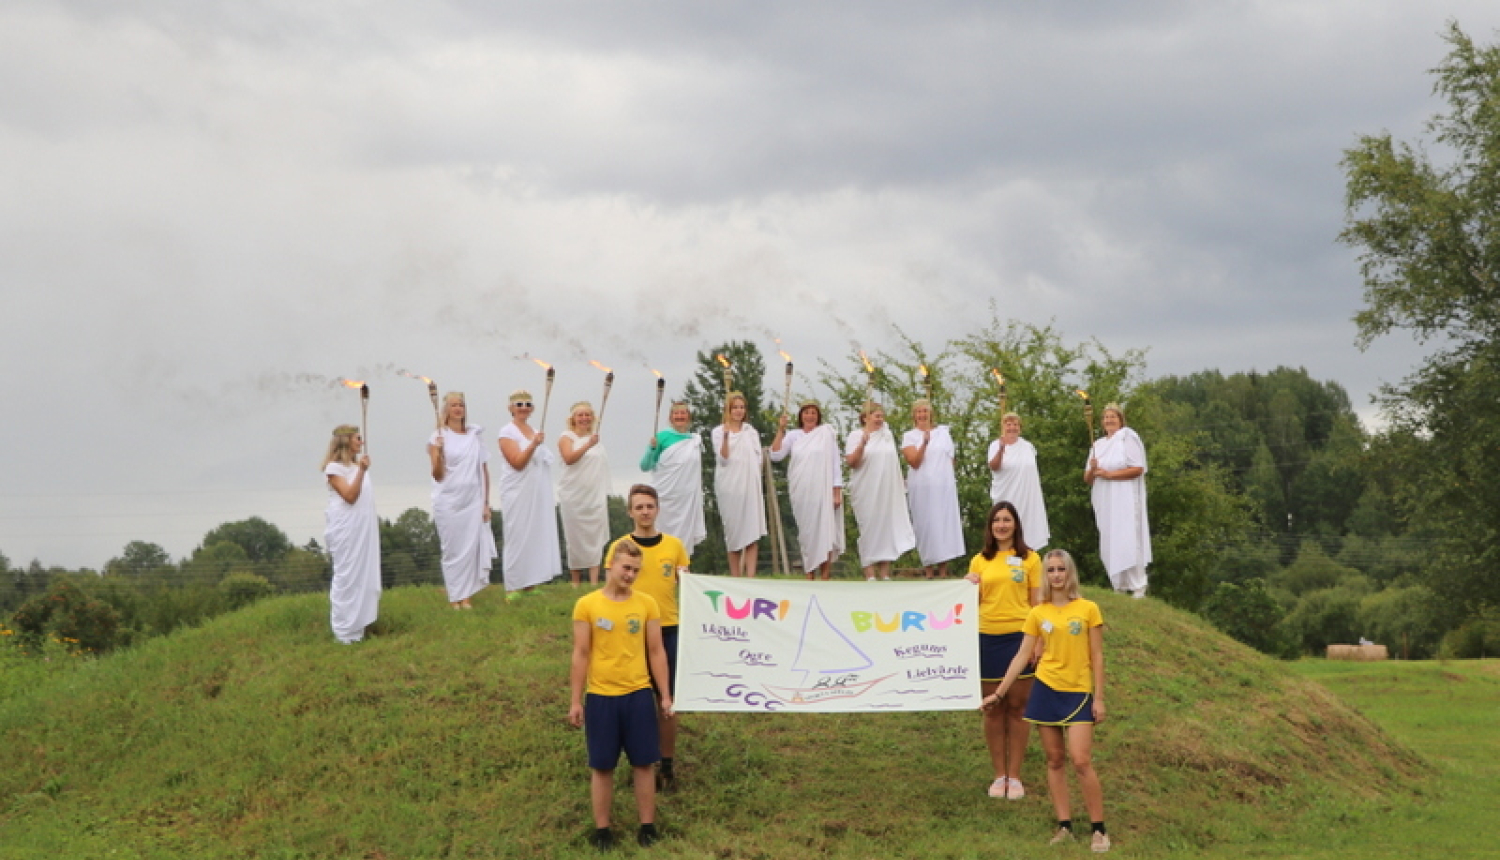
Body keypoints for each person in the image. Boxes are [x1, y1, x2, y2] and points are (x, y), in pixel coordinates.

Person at [984, 549, 1110, 853]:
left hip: (1078, 692)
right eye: (1051, 570)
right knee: (1054, 760)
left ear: (1070, 573)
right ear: (1046, 575)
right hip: (1045, 691)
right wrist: (999, 692)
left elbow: (1097, 655)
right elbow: (1022, 655)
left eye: (1061, 569)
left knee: (1080, 760)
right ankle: (1064, 825)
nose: (1056, 575)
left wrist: (1100, 698)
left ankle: (1099, 830)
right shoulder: (1037, 613)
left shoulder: (1088, 608)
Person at [568, 539, 674, 851]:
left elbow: (656, 652)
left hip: (638, 694)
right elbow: (581, 654)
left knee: (644, 763)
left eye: (636, 571)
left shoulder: (646, 604)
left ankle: (647, 826)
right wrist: (576, 701)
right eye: (626, 568)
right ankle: (603, 831)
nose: (630, 575)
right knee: (602, 766)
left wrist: (664, 695)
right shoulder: (587, 605)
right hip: (601, 696)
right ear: (610, 565)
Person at [606, 484, 691, 791]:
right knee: (637, 702)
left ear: (657, 509)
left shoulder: (674, 546)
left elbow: (689, 589)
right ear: (630, 512)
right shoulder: (619, 547)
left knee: (667, 701)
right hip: (631, 633)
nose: (644, 512)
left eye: (649, 506)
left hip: (668, 629)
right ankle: (643, 762)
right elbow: (609, 592)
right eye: (638, 507)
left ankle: (667, 765)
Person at [965, 501, 1042, 800]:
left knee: (1018, 708)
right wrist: (965, 586)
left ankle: (1016, 776)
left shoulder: (1031, 559)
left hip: (1020, 639)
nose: (1001, 525)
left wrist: (1039, 642)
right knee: (993, 709)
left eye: (1007, 520)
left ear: (1015, 525)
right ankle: (999, 776)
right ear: (990, 526)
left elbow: (1038, 605)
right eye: (996, 520)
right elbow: (971, 602)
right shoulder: (979, 561)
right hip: (986, 638)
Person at [428, 392, 497, 609]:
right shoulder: (437, 437)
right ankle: (454, 597)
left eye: (461, 405)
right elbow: (437, 475)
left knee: (470, 548)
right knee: (453, 548)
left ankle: (466, 597)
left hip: (473, 499)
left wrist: (486, 502)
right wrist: (438, 453)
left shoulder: (474, 436)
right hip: (448, 500)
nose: (458, 408)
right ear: (446, 410)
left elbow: (484, 471)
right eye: (453, 405)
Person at [769, 401, 846, 580]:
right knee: (807, 533)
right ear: (801, 416)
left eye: (813, 413)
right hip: (801, 491)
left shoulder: (826, 434)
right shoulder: (794, 436)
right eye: (806, 412)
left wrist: (837, 492)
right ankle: (809, 573)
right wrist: (780, 430)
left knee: (825, 531)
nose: (810, 416)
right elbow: (775, 455)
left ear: (818, 416)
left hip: (822, 491)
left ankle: (825, 575)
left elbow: (835, 465)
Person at [497, 389, 562, 597]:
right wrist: (534, 444)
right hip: (517, 492)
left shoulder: (534, 430)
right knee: (517, 534)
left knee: (535, 534)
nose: (523, 408)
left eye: (527, 404)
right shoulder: (507, 432)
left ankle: (530, 583)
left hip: (536, 493)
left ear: (532, 408)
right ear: (511, 408)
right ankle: (514, 585)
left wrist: (536, 441)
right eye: (519, 404)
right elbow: (517, 462)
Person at [845, 402, 916, 581]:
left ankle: (884, 573)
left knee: (885, 528)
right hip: (866, 490)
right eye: (876, 415)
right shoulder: (856, 435)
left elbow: (893, 463)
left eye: (881, 416)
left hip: (886, 490)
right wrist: (862, 444)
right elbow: (852, 462)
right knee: (868, 528)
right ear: (865, 417)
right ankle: (869, 573)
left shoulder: (887, 435)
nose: (880, 419)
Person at [1084, 403, 1150, 597]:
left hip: (1125, 497)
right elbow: (1088, 479)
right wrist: (1093, 469)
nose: (1109, 420)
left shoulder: (1127, 437)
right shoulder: (1098, 445)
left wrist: (1109, 474)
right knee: (1110, 538)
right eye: (1106, 417)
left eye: (1113, 417)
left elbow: (1138, 468)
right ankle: (1118, 584)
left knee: (1128, 537)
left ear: (1121, 420)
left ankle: (1138, 584)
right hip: (1105, 500)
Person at [323, 425, 381, 643]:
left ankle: (360, 628)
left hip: (363, 529)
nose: (361, 442)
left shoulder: (358, 466)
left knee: (365, 577)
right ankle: (344, 632)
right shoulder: (334, 468)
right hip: (345, 529)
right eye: (358, 438)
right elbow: (349, 496)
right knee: (347, 576)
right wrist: (362, 471)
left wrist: (361, 469)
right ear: (346, 441)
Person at [901, 398, 965, 578]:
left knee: (943, 524)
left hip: (942, 488)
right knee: (926, 525)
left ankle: (943, 569)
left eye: (925, 411)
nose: (922, 415)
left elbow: (950, 459)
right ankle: (928, 569)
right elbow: (914, 462)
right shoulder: (909, 436)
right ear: (914, 415)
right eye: (919, 412)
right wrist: (924, 443)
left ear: (931, 414)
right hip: (922, 488)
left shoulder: (943, 433)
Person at [711, 392, 767, 577]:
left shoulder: (751, 432)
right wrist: (726, 437)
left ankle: (750, 577)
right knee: (733, 532)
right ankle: (735, 576)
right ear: (728, 409)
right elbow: (723, 459)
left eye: (741, 407)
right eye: (735, 407)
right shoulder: (718, 431)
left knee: (751, 532)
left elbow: (759, 459)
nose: (738, 411)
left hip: (750, 486)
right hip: (729, 487)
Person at [639, 401, 707, 554]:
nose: (680, 416)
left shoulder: (694, 440)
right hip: (665, 496)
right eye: (676, 413)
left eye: (683, 413)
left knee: (684, 539)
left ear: (688, 417)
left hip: (686, 500)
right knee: (662, 534)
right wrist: (651, 449)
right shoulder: (661, 437)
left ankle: (683, 570)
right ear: (671, 417)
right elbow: (645, 466)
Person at [558, 401, 611, 588]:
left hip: (594, 496)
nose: (584, 418)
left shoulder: (595, 439)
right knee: (575, 538)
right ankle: (575, 581)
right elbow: (569, 458)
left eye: (587, 415)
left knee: (594, 537)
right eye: (580, 415)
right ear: (573, 418)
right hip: (574, 497)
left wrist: (592, 442)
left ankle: (594, 582)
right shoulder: (567, 437)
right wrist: (588, 445)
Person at [988, 412, 1051, 550]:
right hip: (1007, 494)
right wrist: (1001, 449)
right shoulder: (995, 445)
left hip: (1027, 496)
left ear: (1020, 428)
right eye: (1008, 424)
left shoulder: (1027, 446)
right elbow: (994, 466)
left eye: (1015, 424)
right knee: (1007, 522)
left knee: (1027, 524)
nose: (1012, 428)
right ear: (1003, 427)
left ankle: (1027, 556)